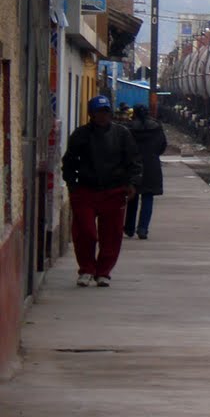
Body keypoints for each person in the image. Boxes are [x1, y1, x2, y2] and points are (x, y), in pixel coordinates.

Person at [62, 95, 142, 287]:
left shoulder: (122, 134)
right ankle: (87, 269)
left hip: (113, 191)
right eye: (99, 112)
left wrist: (131, 183)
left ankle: (103, 272)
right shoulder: (80, 135)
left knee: (112, 234)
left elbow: (134, 161)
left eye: (105, 112)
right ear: (91, 114)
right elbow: (69, 161)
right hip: (85, 190)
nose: (102, 116)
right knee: (85, 232)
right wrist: (72, 184)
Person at [124, 104, 167, 240]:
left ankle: (129, 228)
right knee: (148, 198)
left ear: (134, 113)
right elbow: (162, 145)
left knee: (132, 198)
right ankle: (143, 229)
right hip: (151, 166)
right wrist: (153, 154)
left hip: (133, 166)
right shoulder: (156, 128)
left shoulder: (129, 128)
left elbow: (124, 147)